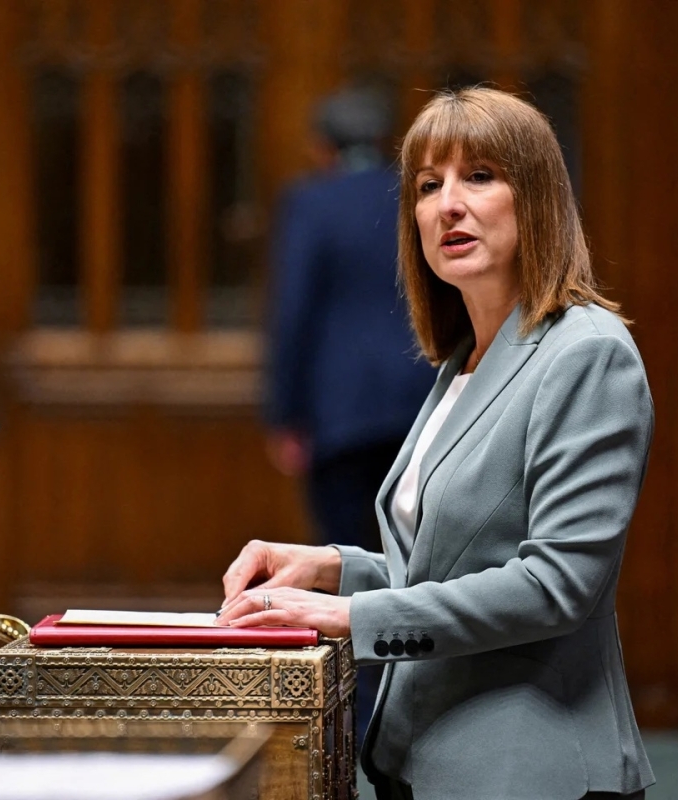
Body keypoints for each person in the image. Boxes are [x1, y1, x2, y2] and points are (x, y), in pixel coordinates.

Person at [218, 87, 654, 800]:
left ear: (537, 198)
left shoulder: (586, 352)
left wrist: (350, 617)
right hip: (425, 761)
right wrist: (333, 568)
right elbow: (452, 564)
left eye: (478, 176)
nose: (448, 204)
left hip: (527, 770)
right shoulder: (464, 360)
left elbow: (555, 585)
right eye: (427, 185)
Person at [263, 86, 438, 746]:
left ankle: (361, 718)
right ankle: (417, 709)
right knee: (419, 562)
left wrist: (286, 415)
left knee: (340, 564)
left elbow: (293, 312)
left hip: (337, 411)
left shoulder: (310, 201)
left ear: (321, 147)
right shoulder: (413, 196)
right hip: (421, 402)